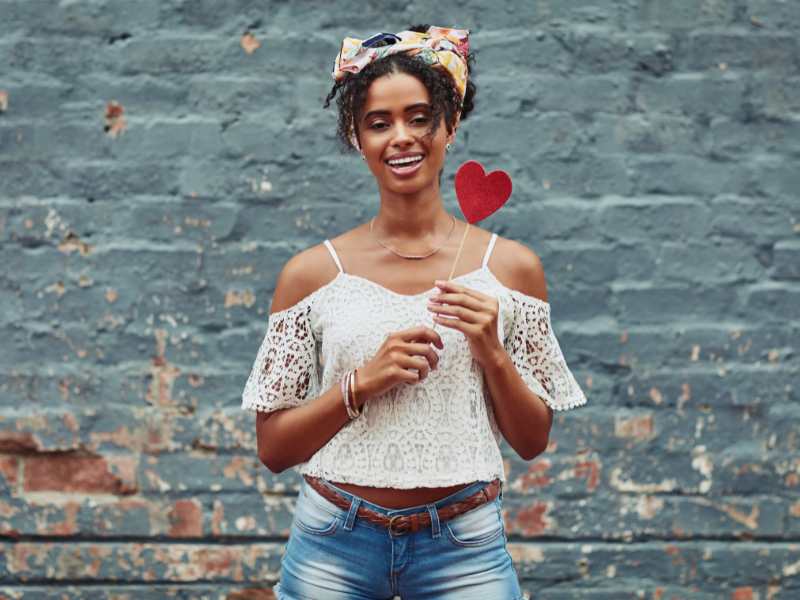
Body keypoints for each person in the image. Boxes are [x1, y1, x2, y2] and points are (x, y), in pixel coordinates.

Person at [241, 24, 587, 600]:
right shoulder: (311, 274)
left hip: (465, 546)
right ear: (358, 138)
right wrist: (361, 383)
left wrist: (491, 350)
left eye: (420, 117)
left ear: (449, 126)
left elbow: (531, 442)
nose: (401, 137)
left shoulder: (513, 270)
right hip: (334, 542)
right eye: (379, 123)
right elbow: (275, 449)